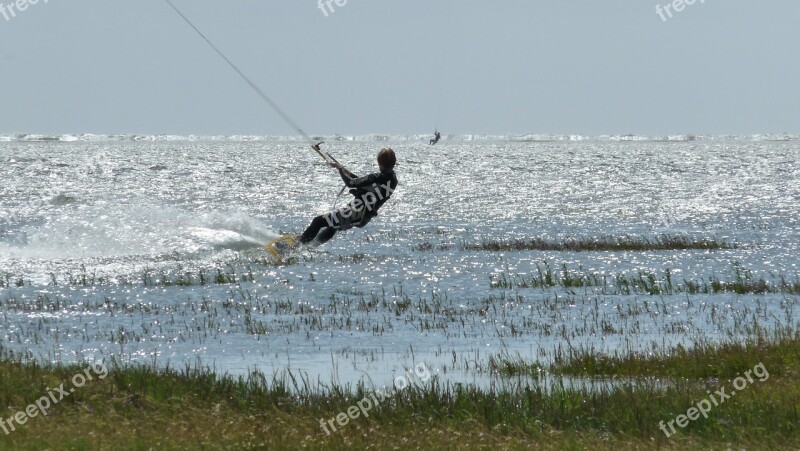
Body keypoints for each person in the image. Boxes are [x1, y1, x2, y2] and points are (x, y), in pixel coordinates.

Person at [299, 147, 398, 246]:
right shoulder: (393, 180)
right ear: (393, 162)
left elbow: (351, 183)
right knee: (334, 226)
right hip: (364, 217)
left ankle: (296, 246)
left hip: (354, 212)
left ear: (379, 163)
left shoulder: (376, 177)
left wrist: (340, 170)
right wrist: (343, 169)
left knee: (318, 221)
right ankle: (311, 246)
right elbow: (362, 181)